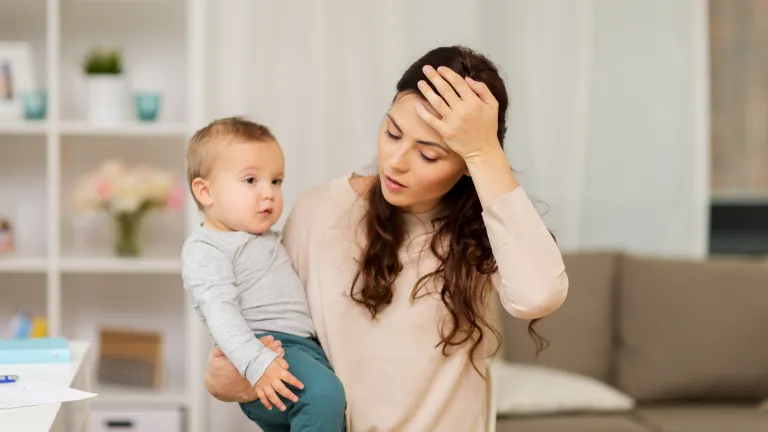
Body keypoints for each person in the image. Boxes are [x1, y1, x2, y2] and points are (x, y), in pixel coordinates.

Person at [204, 45, 569, 431]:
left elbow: (538, 295)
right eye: (392, 132)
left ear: (467, 165)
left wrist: (484, 152)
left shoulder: (484, 231)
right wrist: (243, 385)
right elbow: (292, 354)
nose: (395, 161)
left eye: (429, 155)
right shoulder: (319, 212)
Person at [181, 118, 346, 431]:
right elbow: (220, 312)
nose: (268, 193)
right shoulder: (206, 248)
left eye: (276, 181)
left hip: (303, 349)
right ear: (205, 192)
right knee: (324, 395)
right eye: (250, 181)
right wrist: (257, 363)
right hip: (265, 348)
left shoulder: (266, 237)